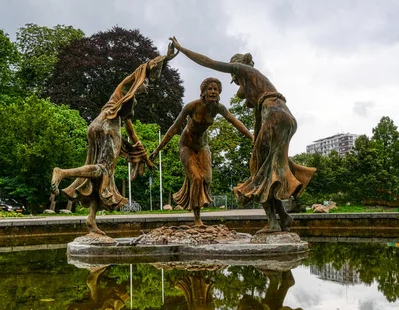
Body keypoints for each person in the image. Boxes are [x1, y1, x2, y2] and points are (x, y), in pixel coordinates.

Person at [168, 37, 316, 232]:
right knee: (270, 170)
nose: (236, 82)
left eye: (234, 79)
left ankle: (272, 222)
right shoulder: (257, 84)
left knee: (258, 169)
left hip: (275, 117)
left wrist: (182, 49)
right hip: (285, 117)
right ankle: (284, 217)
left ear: (236, 66)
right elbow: (257, 118)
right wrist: (255, 140)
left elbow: (208, 62)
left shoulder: (244, 70)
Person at [51, 44, 178, 236]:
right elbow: (145, 68)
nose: (148, 86)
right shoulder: (126, 88)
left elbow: (129, 128)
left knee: (103, 177)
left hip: (96, 125)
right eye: (147, 84)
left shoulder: (129, 102)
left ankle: (91, 220)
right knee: (103, 169)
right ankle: (63, 173)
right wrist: (165, 59)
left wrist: (140, 151)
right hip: (107, 127)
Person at [150, 77, 253, 227]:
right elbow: (173, 128)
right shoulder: (192, 106)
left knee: (207, 178)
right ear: (203, 92)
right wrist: (157, 150)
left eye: (216, 89)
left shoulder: (219, 108)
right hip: (187, 146)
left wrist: (252, 137)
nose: (213, 92)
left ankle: (192, 195)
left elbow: (235, 122)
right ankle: (197, 219)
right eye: (210, 89)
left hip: (203, 146)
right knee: (196, 178)